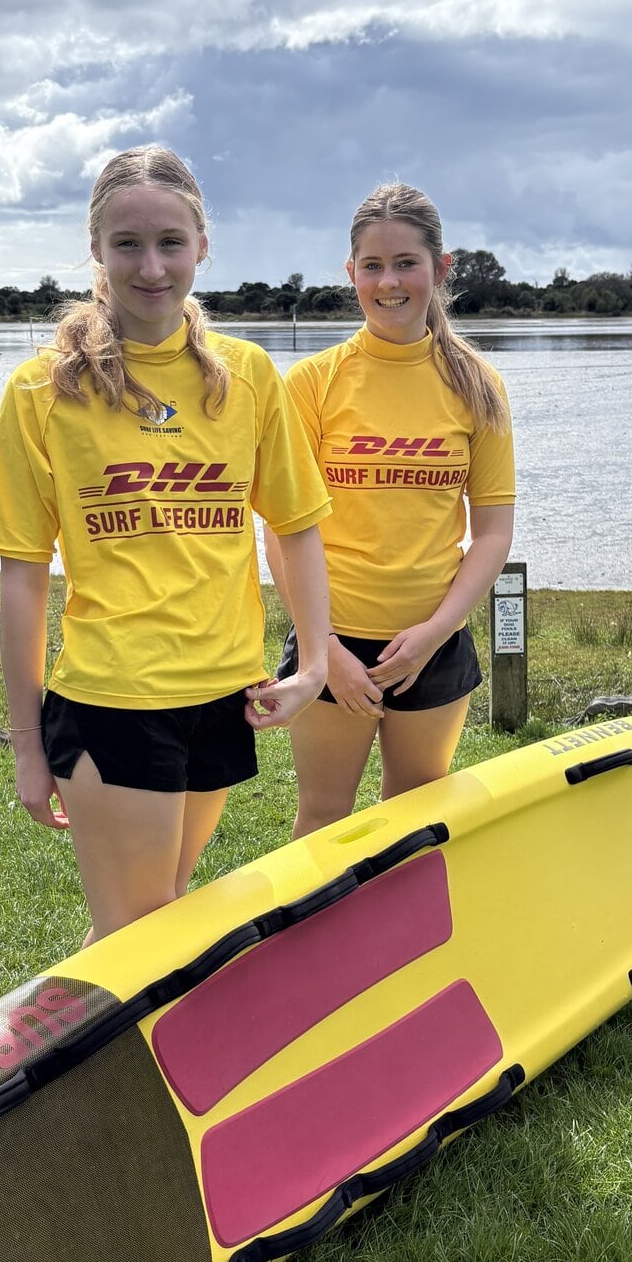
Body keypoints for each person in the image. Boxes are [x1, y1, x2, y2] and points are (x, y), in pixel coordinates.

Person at [0, 145, 331, 940]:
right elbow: (23, 580)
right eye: (127, 244)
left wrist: (314, 662)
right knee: (137, 936)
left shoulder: (246, 377)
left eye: (171, 242)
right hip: (113, 701)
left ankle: (127, 1058)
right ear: (96, 250)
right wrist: (27, 746)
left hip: (224, 698)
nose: (150, 267)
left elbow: (297, 525)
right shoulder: (42, 390)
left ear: (202, 245)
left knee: (154, 922)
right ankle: (96, 1065)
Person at [265, 182, 515, 837]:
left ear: (441, 267)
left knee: (414, 819)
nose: (390, 282)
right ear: (351, 275)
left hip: (432, 644)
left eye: (406, 262)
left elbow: (491, 532)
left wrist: (434, 634)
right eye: (372, 266)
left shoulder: (478, 387)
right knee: (324, 817)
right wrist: (323, 652)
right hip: (333, 640)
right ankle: (316, 943)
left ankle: (405, 943)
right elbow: (283, 531)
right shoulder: (312, 384)